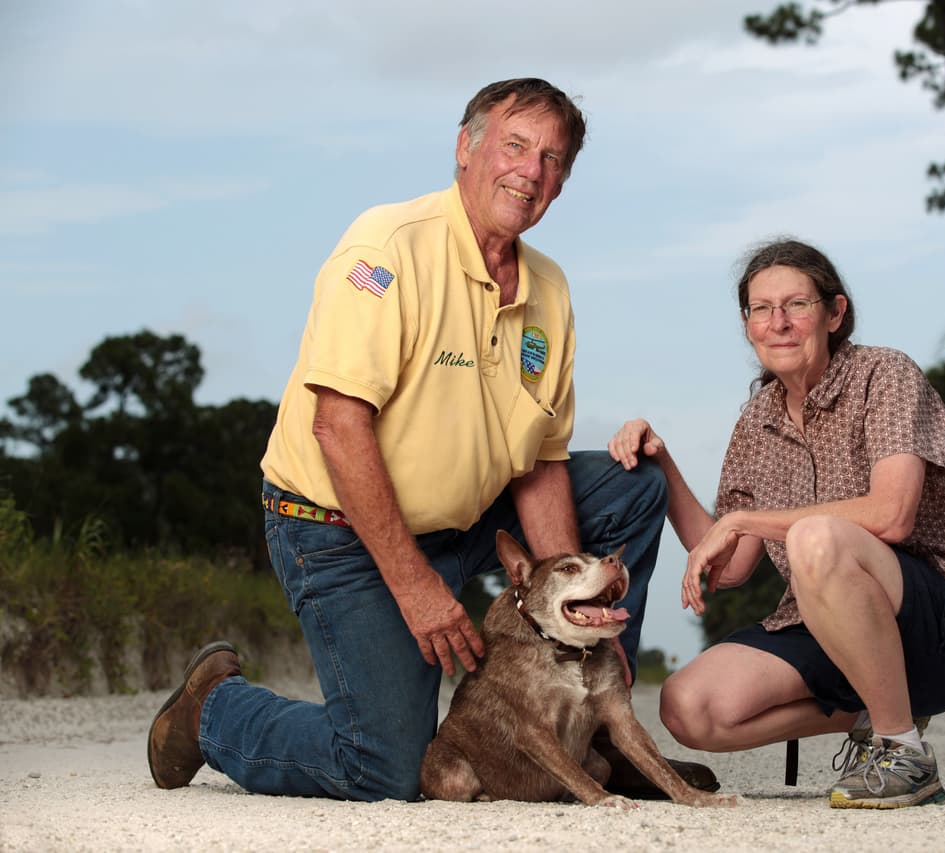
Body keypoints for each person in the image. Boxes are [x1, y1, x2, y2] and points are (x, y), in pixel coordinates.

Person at [147, 78, 716, 802]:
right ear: (464, 148)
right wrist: (417, 588)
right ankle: (215, 711)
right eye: (515, 145)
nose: (532, 171)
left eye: (552, 159)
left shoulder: (551, 289)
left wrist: (576, 614)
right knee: (387, 766)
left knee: (633, 484)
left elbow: (540, 466)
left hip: (472, 518)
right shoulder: (386, 249)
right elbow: (337, 425)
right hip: (340, 528)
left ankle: (593, 717)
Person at [607, 238, 945, 809]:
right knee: (689, 707)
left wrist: (745, 519)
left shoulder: (885, 376)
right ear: (747, 325)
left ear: (834, 312)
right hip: (833, 631)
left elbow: (892, 516)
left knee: (813, 538)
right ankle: (878, 711)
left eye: (796, 304)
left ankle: (902, 752)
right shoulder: (758, 422)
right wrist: (661, 462)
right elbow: (730, 565)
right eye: (761, 310)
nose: (779, 323)